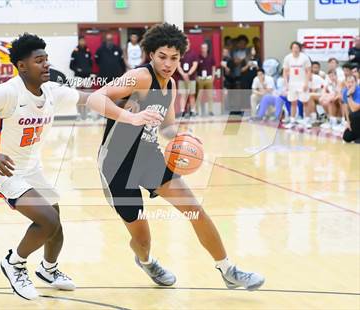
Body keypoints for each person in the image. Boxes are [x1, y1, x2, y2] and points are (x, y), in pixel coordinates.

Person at [0, 33, 162, 301]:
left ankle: (49, 270)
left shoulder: (52, 91)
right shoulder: (7, 92)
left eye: (46, 59)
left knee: (55, 222)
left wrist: (130, 110)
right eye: (38, 60)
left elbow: (91, 99)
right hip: (4, 169)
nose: (45, 65)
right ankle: (14, 263)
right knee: (47, 220)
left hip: (32, 167)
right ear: (21, 66)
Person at [88, 23, 265, 291]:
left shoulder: (169, 85)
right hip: (117, 164)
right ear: (151, 55)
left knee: (195, 210)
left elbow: (167, 127)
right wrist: (131, 117)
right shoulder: (139, 76)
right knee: (143, 239)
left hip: (149, 157)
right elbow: (94, 98)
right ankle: (146, 261)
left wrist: (184, 137)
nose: (168, 63)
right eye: (162, 56)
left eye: (174, 58)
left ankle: (228, 270)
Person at [283, 41, 312, 129]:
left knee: (305, 102)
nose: (295, 49)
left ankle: (307, 121)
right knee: (293, 102)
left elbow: (308, 71)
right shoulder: (287, 58)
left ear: (300, 49)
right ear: (291, 49)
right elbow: (285, 72)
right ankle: (292, 121)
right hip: (292, 83)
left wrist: (306, 83)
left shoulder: (305, 58)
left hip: (302, 83)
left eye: (297, 48)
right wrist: (286, 84)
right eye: (294, 48)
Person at [177, 38, 198, 117]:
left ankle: (193, 111)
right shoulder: (180, 53)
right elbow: (177, 65)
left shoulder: (193, 54)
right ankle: (182, 111)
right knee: (183, 95)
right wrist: (183, 74)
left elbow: (195, 65)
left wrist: (188, 74)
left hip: (191, 78)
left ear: (189, 44)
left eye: (187, 42)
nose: (186, 44)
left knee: (191, 94)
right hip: (182, 78)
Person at [196, 42, 216, 116]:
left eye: (205, 48)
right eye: (202, 48)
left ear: (207, 49)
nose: (203, 49)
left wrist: (213, 77)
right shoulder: (198, 58)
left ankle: (210, 111)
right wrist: (196, 78)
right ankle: (197, 111)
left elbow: (213, 68)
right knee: (199, 96)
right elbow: (195, 68)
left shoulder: (211, 57)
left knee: (210, 96)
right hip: (200, 79)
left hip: (208, 79)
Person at [342, 75, 360, 143]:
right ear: (345, 83)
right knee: (346, 137)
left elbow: (354, 109)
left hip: (357, 114)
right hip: (356, 118)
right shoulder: (345, 91)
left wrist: (349, 95)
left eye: (352, 82)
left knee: (354, 115)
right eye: (348, 82)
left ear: (356, 82)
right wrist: (348, 122)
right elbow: (346, 107)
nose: (350, 84)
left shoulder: (359, 91)